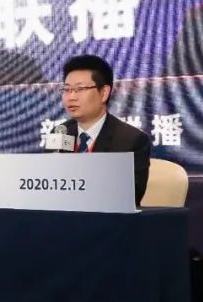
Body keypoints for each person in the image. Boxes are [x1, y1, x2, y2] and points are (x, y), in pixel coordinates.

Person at [60, 55, 151, 204]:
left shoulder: (131, 140)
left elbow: (130, 197)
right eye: (67, 89)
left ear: (104, 93)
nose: (71, 97)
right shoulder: (60, 133)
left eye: (80, 89)